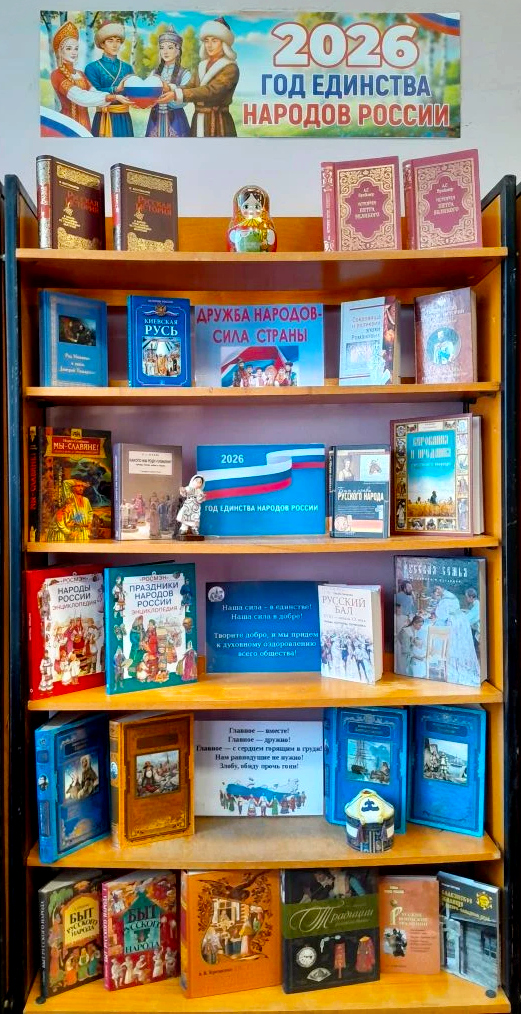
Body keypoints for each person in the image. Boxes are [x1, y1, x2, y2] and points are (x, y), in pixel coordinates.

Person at [172, 17, 239, 137]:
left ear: (224, 43)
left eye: (214, 40)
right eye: (206, 40)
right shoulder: (201, 66)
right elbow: (190, 86)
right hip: (198, 120)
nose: (209, 45)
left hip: (219, 123)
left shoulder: (230, 68)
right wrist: (171, 89)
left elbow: (211, 91)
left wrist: (176, 94)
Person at [50, 21, 113, 134]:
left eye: (76, 48)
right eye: (69, 48)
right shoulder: (57, 74)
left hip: (85, 124)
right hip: (68, 124)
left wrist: (113, 95)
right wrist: (110, 97)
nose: (73, 52)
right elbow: (80, 97)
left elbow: (94, 93)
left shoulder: (81, 74)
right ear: (60, 51)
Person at [84, 21, 134, 137]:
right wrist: (116, 89)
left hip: (124, 117)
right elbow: (93, 93)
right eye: (110, 41)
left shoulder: (127, 68)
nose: (115, 45)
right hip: (103, 116)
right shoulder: (92, 68)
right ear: (102, 44)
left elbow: (132, 92)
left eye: (118, 41)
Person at [146, 26, 191, 137]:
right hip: (155, 118)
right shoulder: (154, 73)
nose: (165, 52)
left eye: (170, 48)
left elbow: (185, 99)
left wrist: (169, 97)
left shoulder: (185, 74)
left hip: (176, 119)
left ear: (178, 51)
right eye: (162, 48)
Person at [45, 473, 93, 542]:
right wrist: (80, 482)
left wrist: (89, 522)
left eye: (82, 486)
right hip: (73, 529)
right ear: (73, 487)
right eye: (78, 486)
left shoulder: (86, 500)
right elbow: (65, 483)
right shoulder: (69, 497)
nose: (81, 488)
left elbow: (90, 512)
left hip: (85, 530)